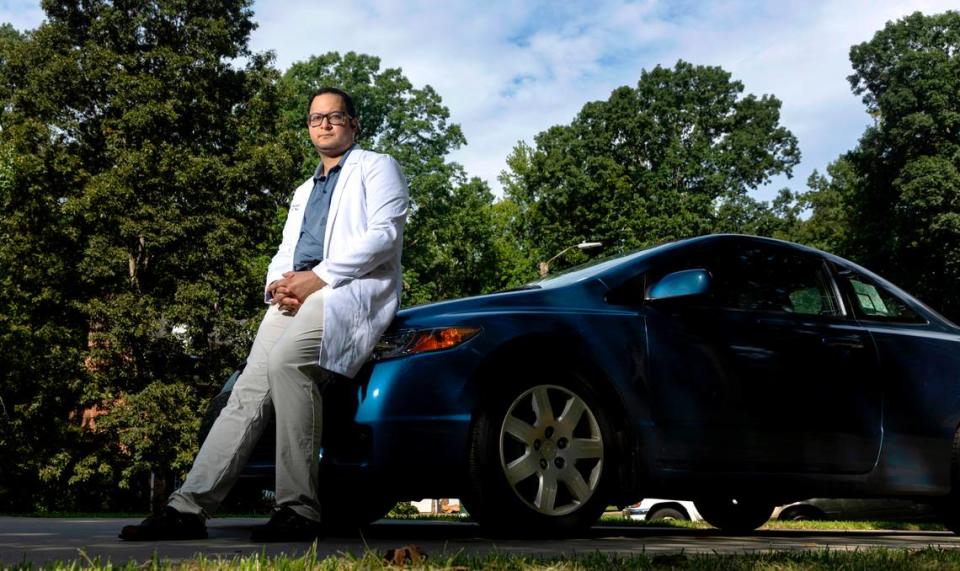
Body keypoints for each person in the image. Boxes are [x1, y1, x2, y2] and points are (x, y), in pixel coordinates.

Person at [119, 87, 409, 542]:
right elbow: (285, 250)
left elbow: (384, 236)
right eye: (316, 119)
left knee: (288, 364)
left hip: (348, 290)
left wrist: (318, 279)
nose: (325, 125)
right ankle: (188, 509)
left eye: (335, 117)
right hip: (295, 294)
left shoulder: (377, 166)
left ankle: (299, 510)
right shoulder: (303, 190)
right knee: (248, 389)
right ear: (309, 128)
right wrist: (279, 285)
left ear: (353, 124)